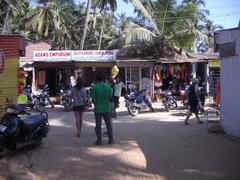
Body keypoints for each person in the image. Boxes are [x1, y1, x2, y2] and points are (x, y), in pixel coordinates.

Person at [90, 74, 114, 145]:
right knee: (108, 124)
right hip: (106, 108)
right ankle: (111, 140)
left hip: (98, 109)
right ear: (103, 80)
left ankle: (99, 141)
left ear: (97, 80)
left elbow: (93, 100)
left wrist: (97, 103)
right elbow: (110, 98)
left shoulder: (94, 88)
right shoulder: (108, 87)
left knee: (98, 125)